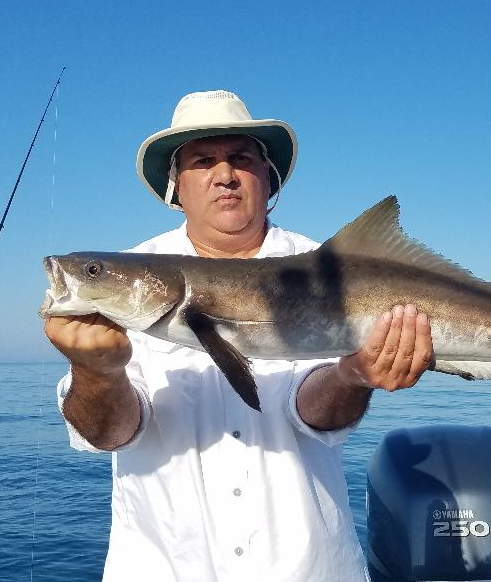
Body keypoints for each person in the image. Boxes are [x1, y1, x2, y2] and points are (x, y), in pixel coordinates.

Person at [45, 90, 433, 581]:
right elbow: (110, 434)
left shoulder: (331, 269)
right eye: (203, 160)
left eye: (241, 159)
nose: (224, 174)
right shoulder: (129, 286)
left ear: (268, 179)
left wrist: (353, 375)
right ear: (176, 188)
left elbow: (313, 413)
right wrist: (97, 372)